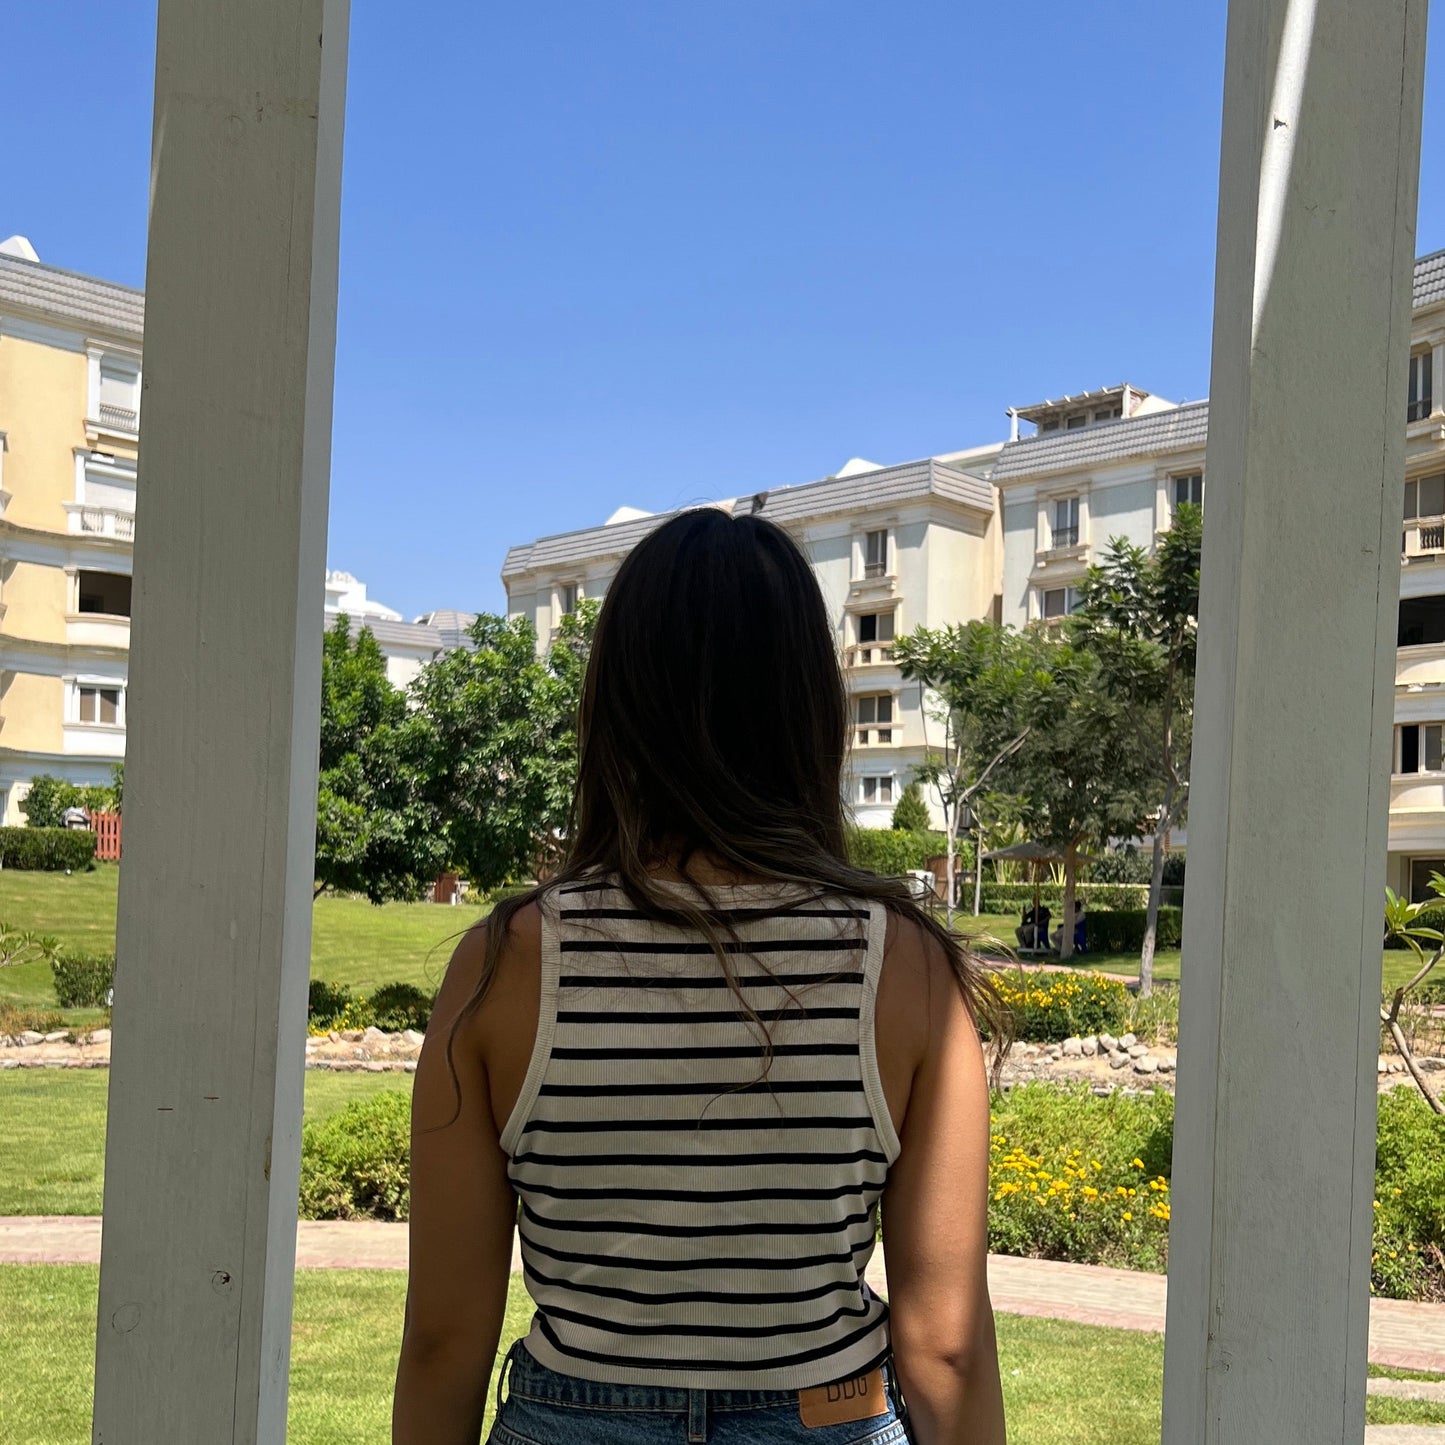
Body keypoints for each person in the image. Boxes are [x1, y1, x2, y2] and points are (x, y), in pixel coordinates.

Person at [393, 508, 1009, 1445]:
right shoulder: (904, 965)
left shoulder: (504, 963)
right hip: (825, 1416)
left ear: (615, 704)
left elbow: (445, 1339)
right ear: (808, 707)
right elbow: (944, 1348)